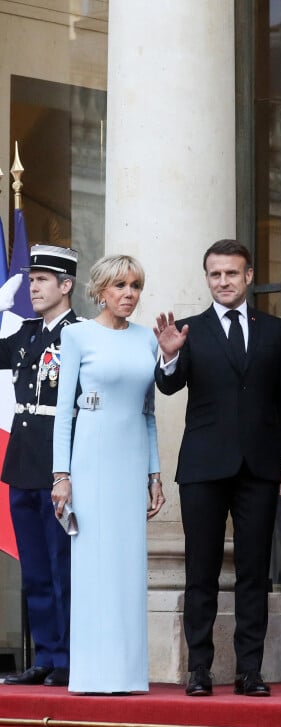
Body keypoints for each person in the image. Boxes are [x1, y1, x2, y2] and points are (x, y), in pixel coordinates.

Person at [154, 239, 281, 698]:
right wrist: (170, 354)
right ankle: (199, 669)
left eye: (232, 274)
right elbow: (168, 385)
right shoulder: (188, 329)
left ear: (249, 276)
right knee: (201, 570)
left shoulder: (274, 330)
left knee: (254, 572)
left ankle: (249, 671)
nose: (223, 281)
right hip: (202, 468)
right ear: (207, 278)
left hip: (259, 467)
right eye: (215, 274)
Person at [52, 254, 165, 694]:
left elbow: (149, 412)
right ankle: (91, 674)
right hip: (92, 455)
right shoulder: (77, 335)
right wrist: (61, 475)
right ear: (100, 290)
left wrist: (155, 475)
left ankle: (128, 674)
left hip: (132, 455)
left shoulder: (147, 340)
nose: (129, 294)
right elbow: (64, 413)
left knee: (129, 565)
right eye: (119, 286)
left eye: (135, 286)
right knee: (94, 564)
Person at [1, 245, 80, 687]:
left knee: (60, 567)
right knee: (33, 569)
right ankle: (46, 655)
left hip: (57, 465)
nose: (33, 287)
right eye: (31, 279)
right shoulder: (26, 334)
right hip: (22, 463)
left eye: (43, 280)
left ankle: (67, 657)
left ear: (66, 286)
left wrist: (66, 471)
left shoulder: (79, 333)